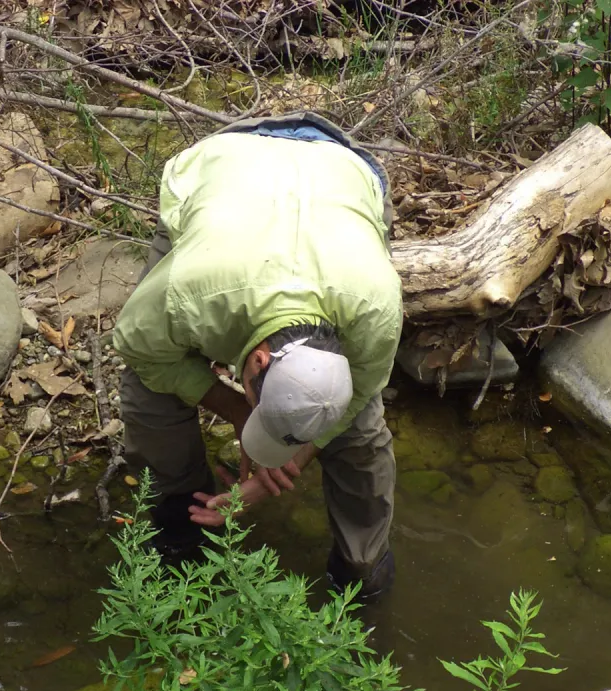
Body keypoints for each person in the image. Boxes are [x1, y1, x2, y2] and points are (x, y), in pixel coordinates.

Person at [112, 111, 402, 598]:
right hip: (225, 165)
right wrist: (240, 411)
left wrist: (277, 470)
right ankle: (182, 516)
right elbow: (141, 350)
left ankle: (362, 569)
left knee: (360, 430)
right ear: (259, 361)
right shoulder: (190, 291)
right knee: (148, 393)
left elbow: (356, 396)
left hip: (343, 176)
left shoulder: (376, 311)